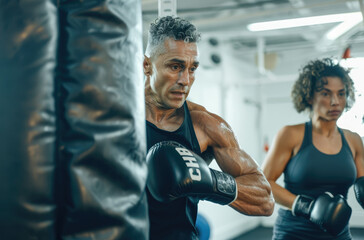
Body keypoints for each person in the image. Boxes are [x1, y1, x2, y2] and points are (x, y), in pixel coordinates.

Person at [143, 16, 274, 240]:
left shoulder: (206, 126)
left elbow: (265, 200)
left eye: (192, 68)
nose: (185, 80)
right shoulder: (116, 120)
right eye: (175, 66)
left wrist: (209, 182)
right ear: (147, 65)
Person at [262, 58, 364, 240]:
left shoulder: (354, 140)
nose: (335, 102)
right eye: (326, 94)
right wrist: (304, 206)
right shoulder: (291, 134)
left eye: (341, 94)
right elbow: (263, 182)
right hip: (294, 233)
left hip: (339, 235)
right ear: (309, 96)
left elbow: (362, 183)